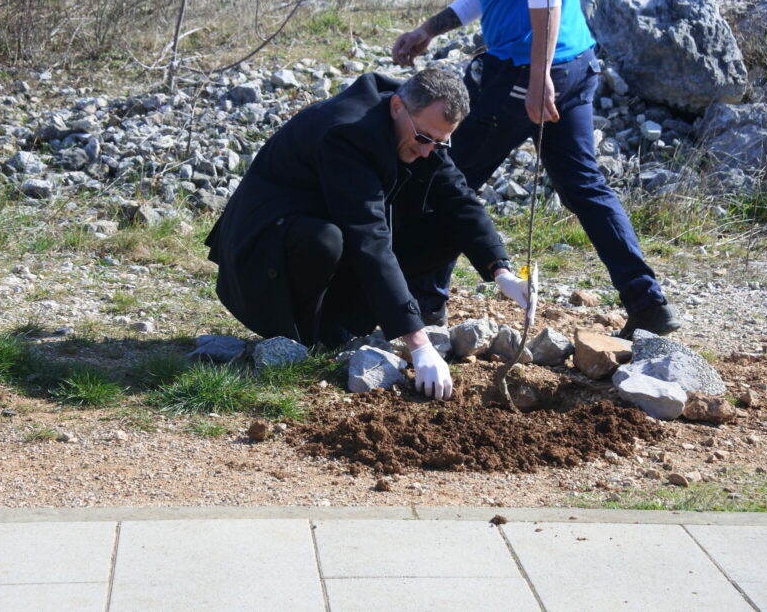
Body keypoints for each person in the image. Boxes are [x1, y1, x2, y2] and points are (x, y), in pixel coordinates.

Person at [391, 0, 679, 339]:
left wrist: (539, 73)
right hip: (573, 64)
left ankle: (423, 307)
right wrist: (431, 28)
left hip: (525, 71)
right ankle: (648, 302)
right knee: (585, 186)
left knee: (446, 180)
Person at [204, 68, 531, 400]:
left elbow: (460, 200)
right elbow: (369, 237)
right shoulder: (348, 132)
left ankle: (343, 328)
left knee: (448, 227)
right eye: (423, 139)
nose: (428, 151)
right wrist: (418, 344)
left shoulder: (422, 128)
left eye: (440, 142)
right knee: (325, 240)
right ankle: (304, 339)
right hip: (262, 255)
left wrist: (501, 270)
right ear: (397, 108)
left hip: (329, 228)